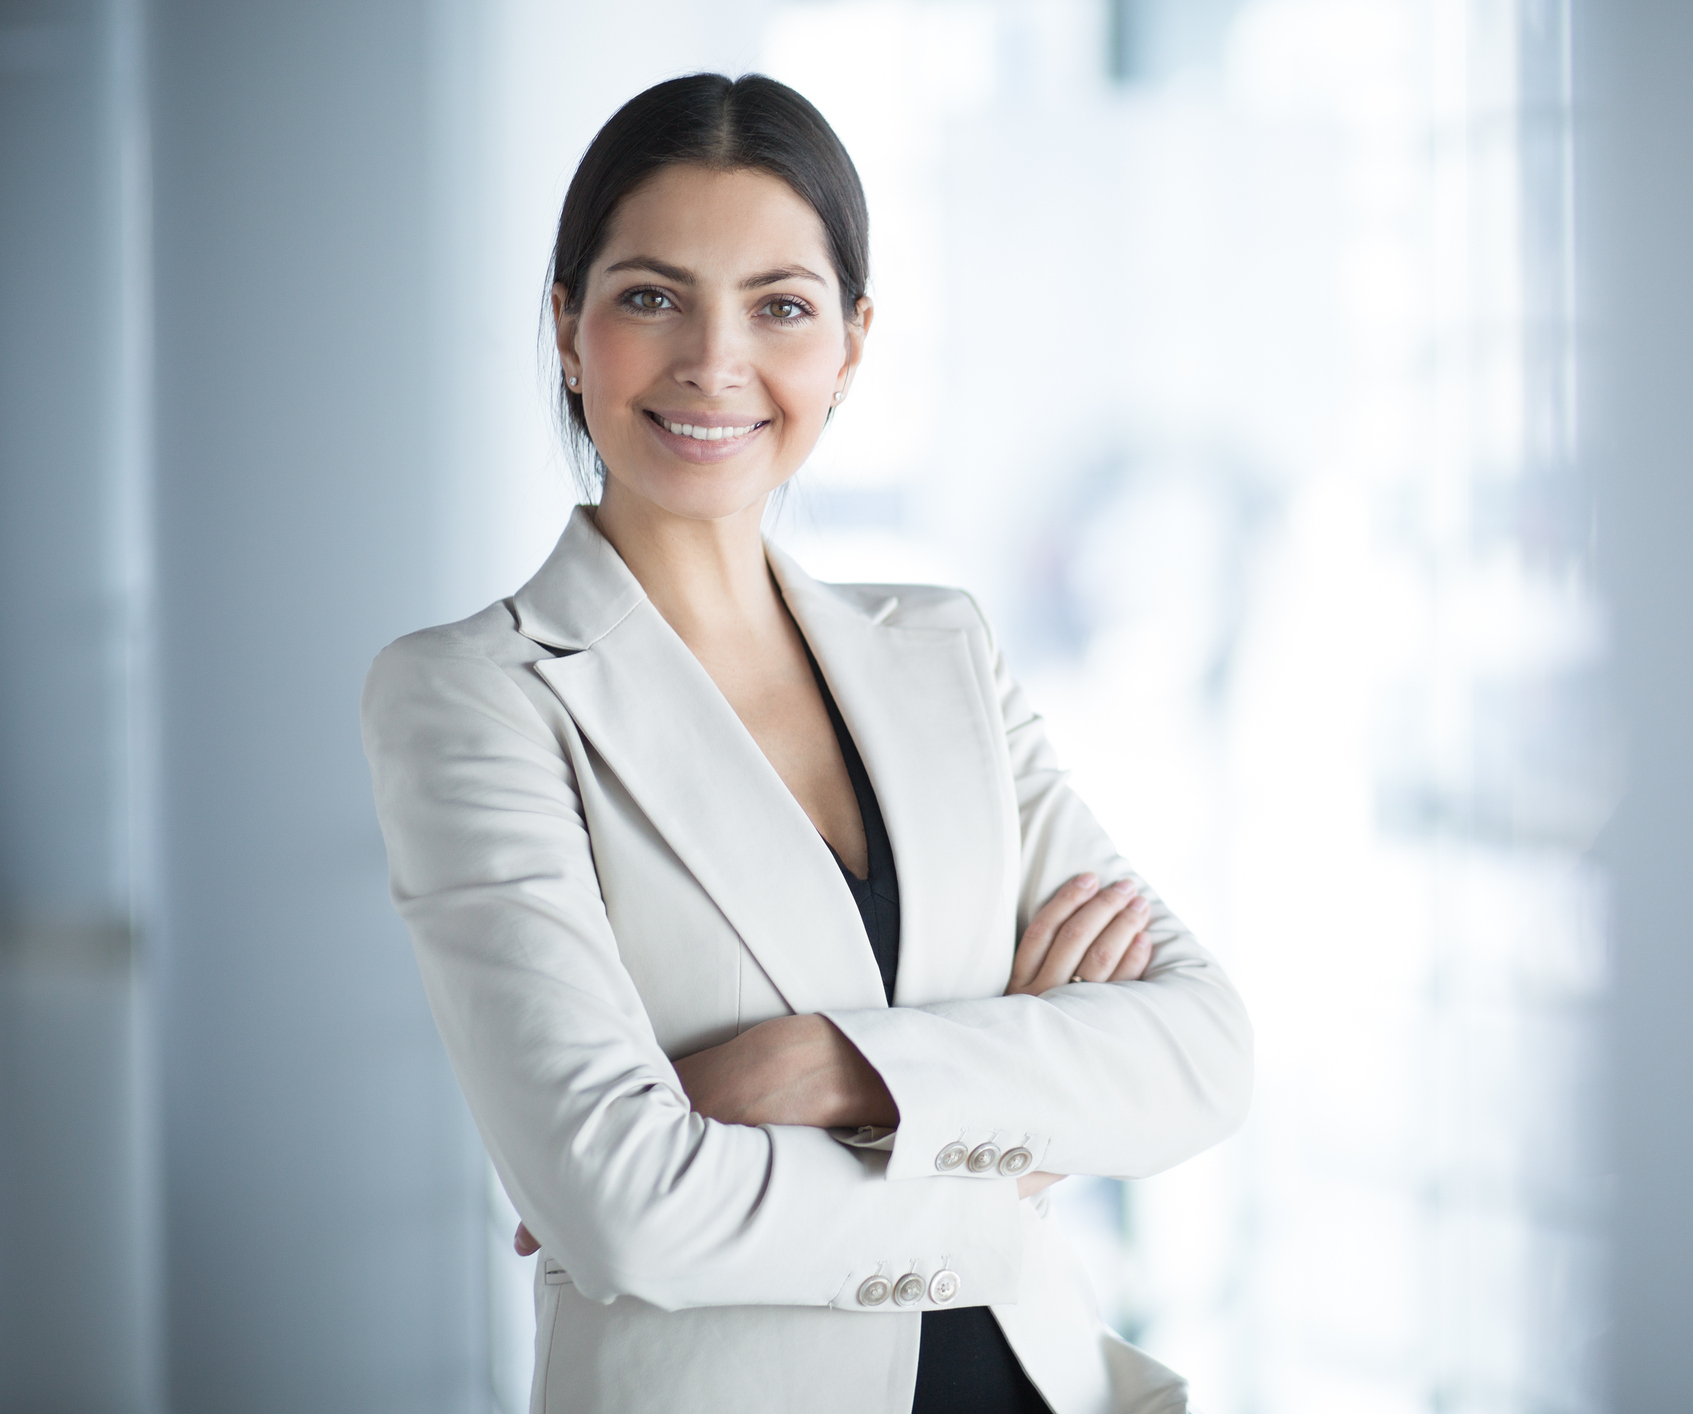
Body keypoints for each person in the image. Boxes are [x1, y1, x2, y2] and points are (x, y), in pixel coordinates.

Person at [361, 72, 1251, 1414]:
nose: (714, 363)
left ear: (850, 341)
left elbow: (1198, 1050)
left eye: (779, 305)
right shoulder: (476, 696)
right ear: (565, 324)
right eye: (652, 294)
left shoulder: (940, 650)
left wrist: (830, 1068)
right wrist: (997, 1138)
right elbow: (631, 1208)